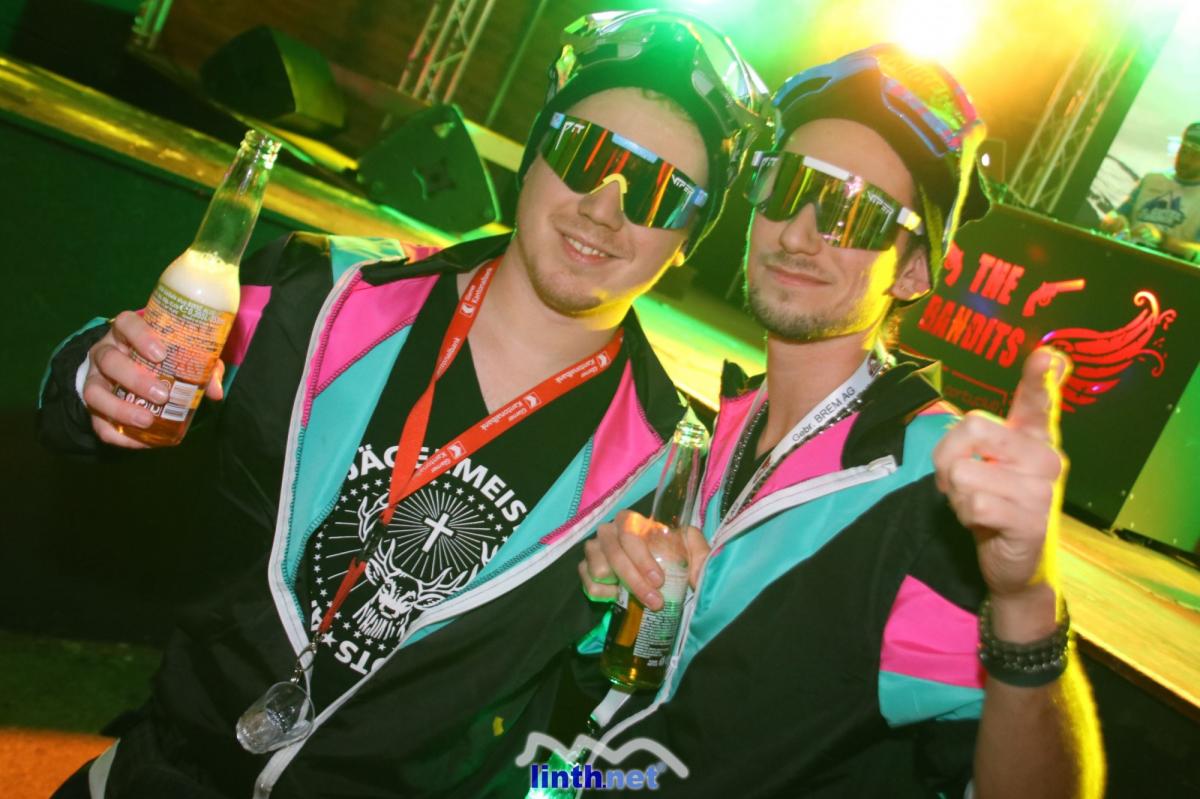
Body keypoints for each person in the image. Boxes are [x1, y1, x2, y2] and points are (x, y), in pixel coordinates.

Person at [36, 10, 769, 798]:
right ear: (534, 154)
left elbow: (611, 741)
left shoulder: (670, 471)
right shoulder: (323, 295)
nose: (605, 206)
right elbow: (88, 400)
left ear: (688, 240)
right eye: (586, 153)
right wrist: (94, 381)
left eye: (661, 190)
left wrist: (621, 631)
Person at [578, 45, 1104, 797]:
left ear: (914, 270)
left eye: (853, 212)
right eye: (788, 186)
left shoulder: (929, 490)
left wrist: (1026, 604)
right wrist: (605, 593)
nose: (798, 233)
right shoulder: (722, 426)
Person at [1100, 121, 1200, 263]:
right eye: (1183, 151)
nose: (1184, 160)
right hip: (1123, 258)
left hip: (1168, 269)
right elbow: (1115, 215)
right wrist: (1114, 221)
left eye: (1195, 155)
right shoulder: (1152, 179)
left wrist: (1163, 240)